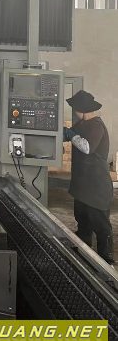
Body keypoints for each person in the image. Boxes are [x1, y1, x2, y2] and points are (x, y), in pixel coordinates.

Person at [64, 90, 114, 265]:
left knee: (101, 226)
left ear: (81, 109)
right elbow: (69, 135)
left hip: (96, 187)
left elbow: (87, 147)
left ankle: (106, 261)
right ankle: (83, 258)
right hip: (82, 186)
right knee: (83, 223)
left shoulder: (96, 125)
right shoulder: (81, 124)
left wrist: (71, 135)